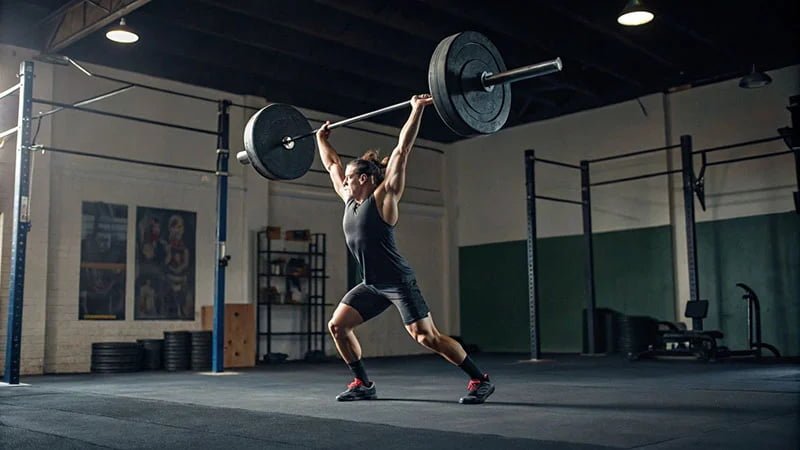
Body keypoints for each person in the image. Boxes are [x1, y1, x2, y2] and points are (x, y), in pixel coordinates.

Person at [316, 93, 495, 405]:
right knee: (338, 326)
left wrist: (415, 111)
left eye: (349, 178)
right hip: (371, 283)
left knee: (427, 337)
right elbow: (332, 164)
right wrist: (321, 138)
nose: (344, 182)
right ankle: (363, 383)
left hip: (397, 281)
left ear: (364, 178)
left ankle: (480, 379)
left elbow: (402, 150)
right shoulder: (349, 198)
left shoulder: (384, 198)